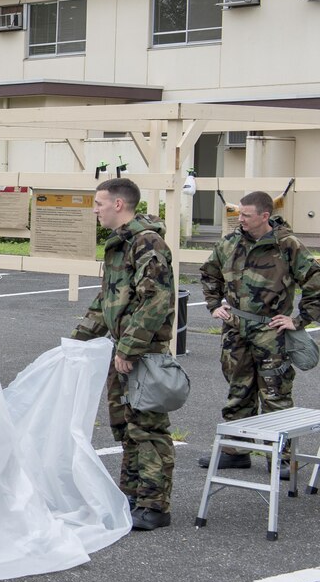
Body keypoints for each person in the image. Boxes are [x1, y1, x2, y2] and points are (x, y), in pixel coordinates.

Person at [71, 178, 176, 531]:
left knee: (147, 426)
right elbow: (108, 300)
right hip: (122, 349)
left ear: (118, 205)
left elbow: (156, 299)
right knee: (125, 426)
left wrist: (130, 347)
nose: (95, 209)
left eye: (99, 203)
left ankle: (155, 504)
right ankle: (130, 495)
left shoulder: (147, 243)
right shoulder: (119, 244)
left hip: (142, 352)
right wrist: (77, 342)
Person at [199, 190, 320, 478]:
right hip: (235, 330)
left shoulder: (287, 245)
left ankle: (281, 458)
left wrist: (299, 320)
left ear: (264, 216)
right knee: (238, 390)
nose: (239, 219)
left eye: (246, 215)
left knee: (275, 393)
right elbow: (209, 272)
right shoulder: (230, 243)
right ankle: (235, 452)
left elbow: (316, 283)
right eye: (239, 214)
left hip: (271, 332)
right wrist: (215, 304)